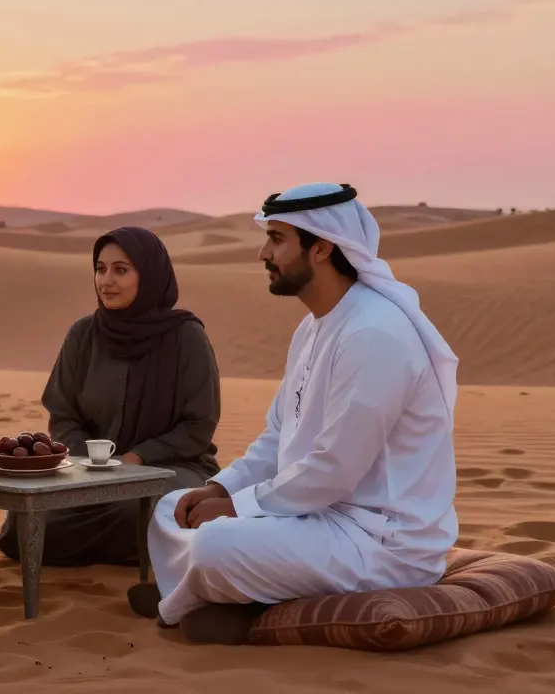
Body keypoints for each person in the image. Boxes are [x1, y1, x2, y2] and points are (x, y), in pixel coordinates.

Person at [135, 182, 460, 644]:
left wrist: (235, 508)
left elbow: (334, 470)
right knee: (173, 504)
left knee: (215, 545)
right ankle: (206, 593)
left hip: (379, 540)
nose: (264, 253)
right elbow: (277, 438)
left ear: (323, 249)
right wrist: (219, 486)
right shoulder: (314, 326)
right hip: (313, 515)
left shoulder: (373, 334)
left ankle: (195, 597)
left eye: (278, 239)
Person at [0, 226, 221, 567]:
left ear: (150, 275)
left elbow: (199, 423)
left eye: (121, 270)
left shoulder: (186, 337)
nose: (106, 280)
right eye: (100, 268)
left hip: (171, 469)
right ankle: (148, 547)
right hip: (93, 473)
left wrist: (137, 458)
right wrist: (94, 462)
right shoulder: (83, 335)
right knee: (32, 520)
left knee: (145, 508)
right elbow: (63, 413)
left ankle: (153, 543)